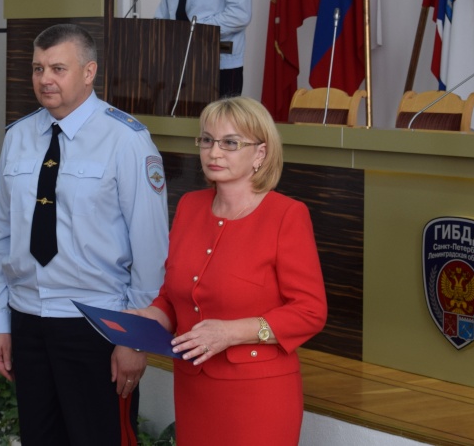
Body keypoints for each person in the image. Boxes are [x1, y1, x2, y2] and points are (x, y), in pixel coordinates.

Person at [0, 23, 170, 446]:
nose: (45, 79)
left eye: (58, 68)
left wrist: (134, 337)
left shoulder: (126, 140)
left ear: (89, 72)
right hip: (28, 319)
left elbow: (151, 246)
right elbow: (0, 236)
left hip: (98, 325)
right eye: (38, 68)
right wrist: (0, 322)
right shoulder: (18, 137)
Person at [132, 96, 327, 445]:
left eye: (230, 143)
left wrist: (231, 332)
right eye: (207, 140)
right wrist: (147, 318)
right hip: (193, 390)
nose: (214, 152)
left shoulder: (287, 215)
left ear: (260, 153)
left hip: (259, 395)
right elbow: (172, 296)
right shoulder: (190, 206)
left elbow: (310, 312)